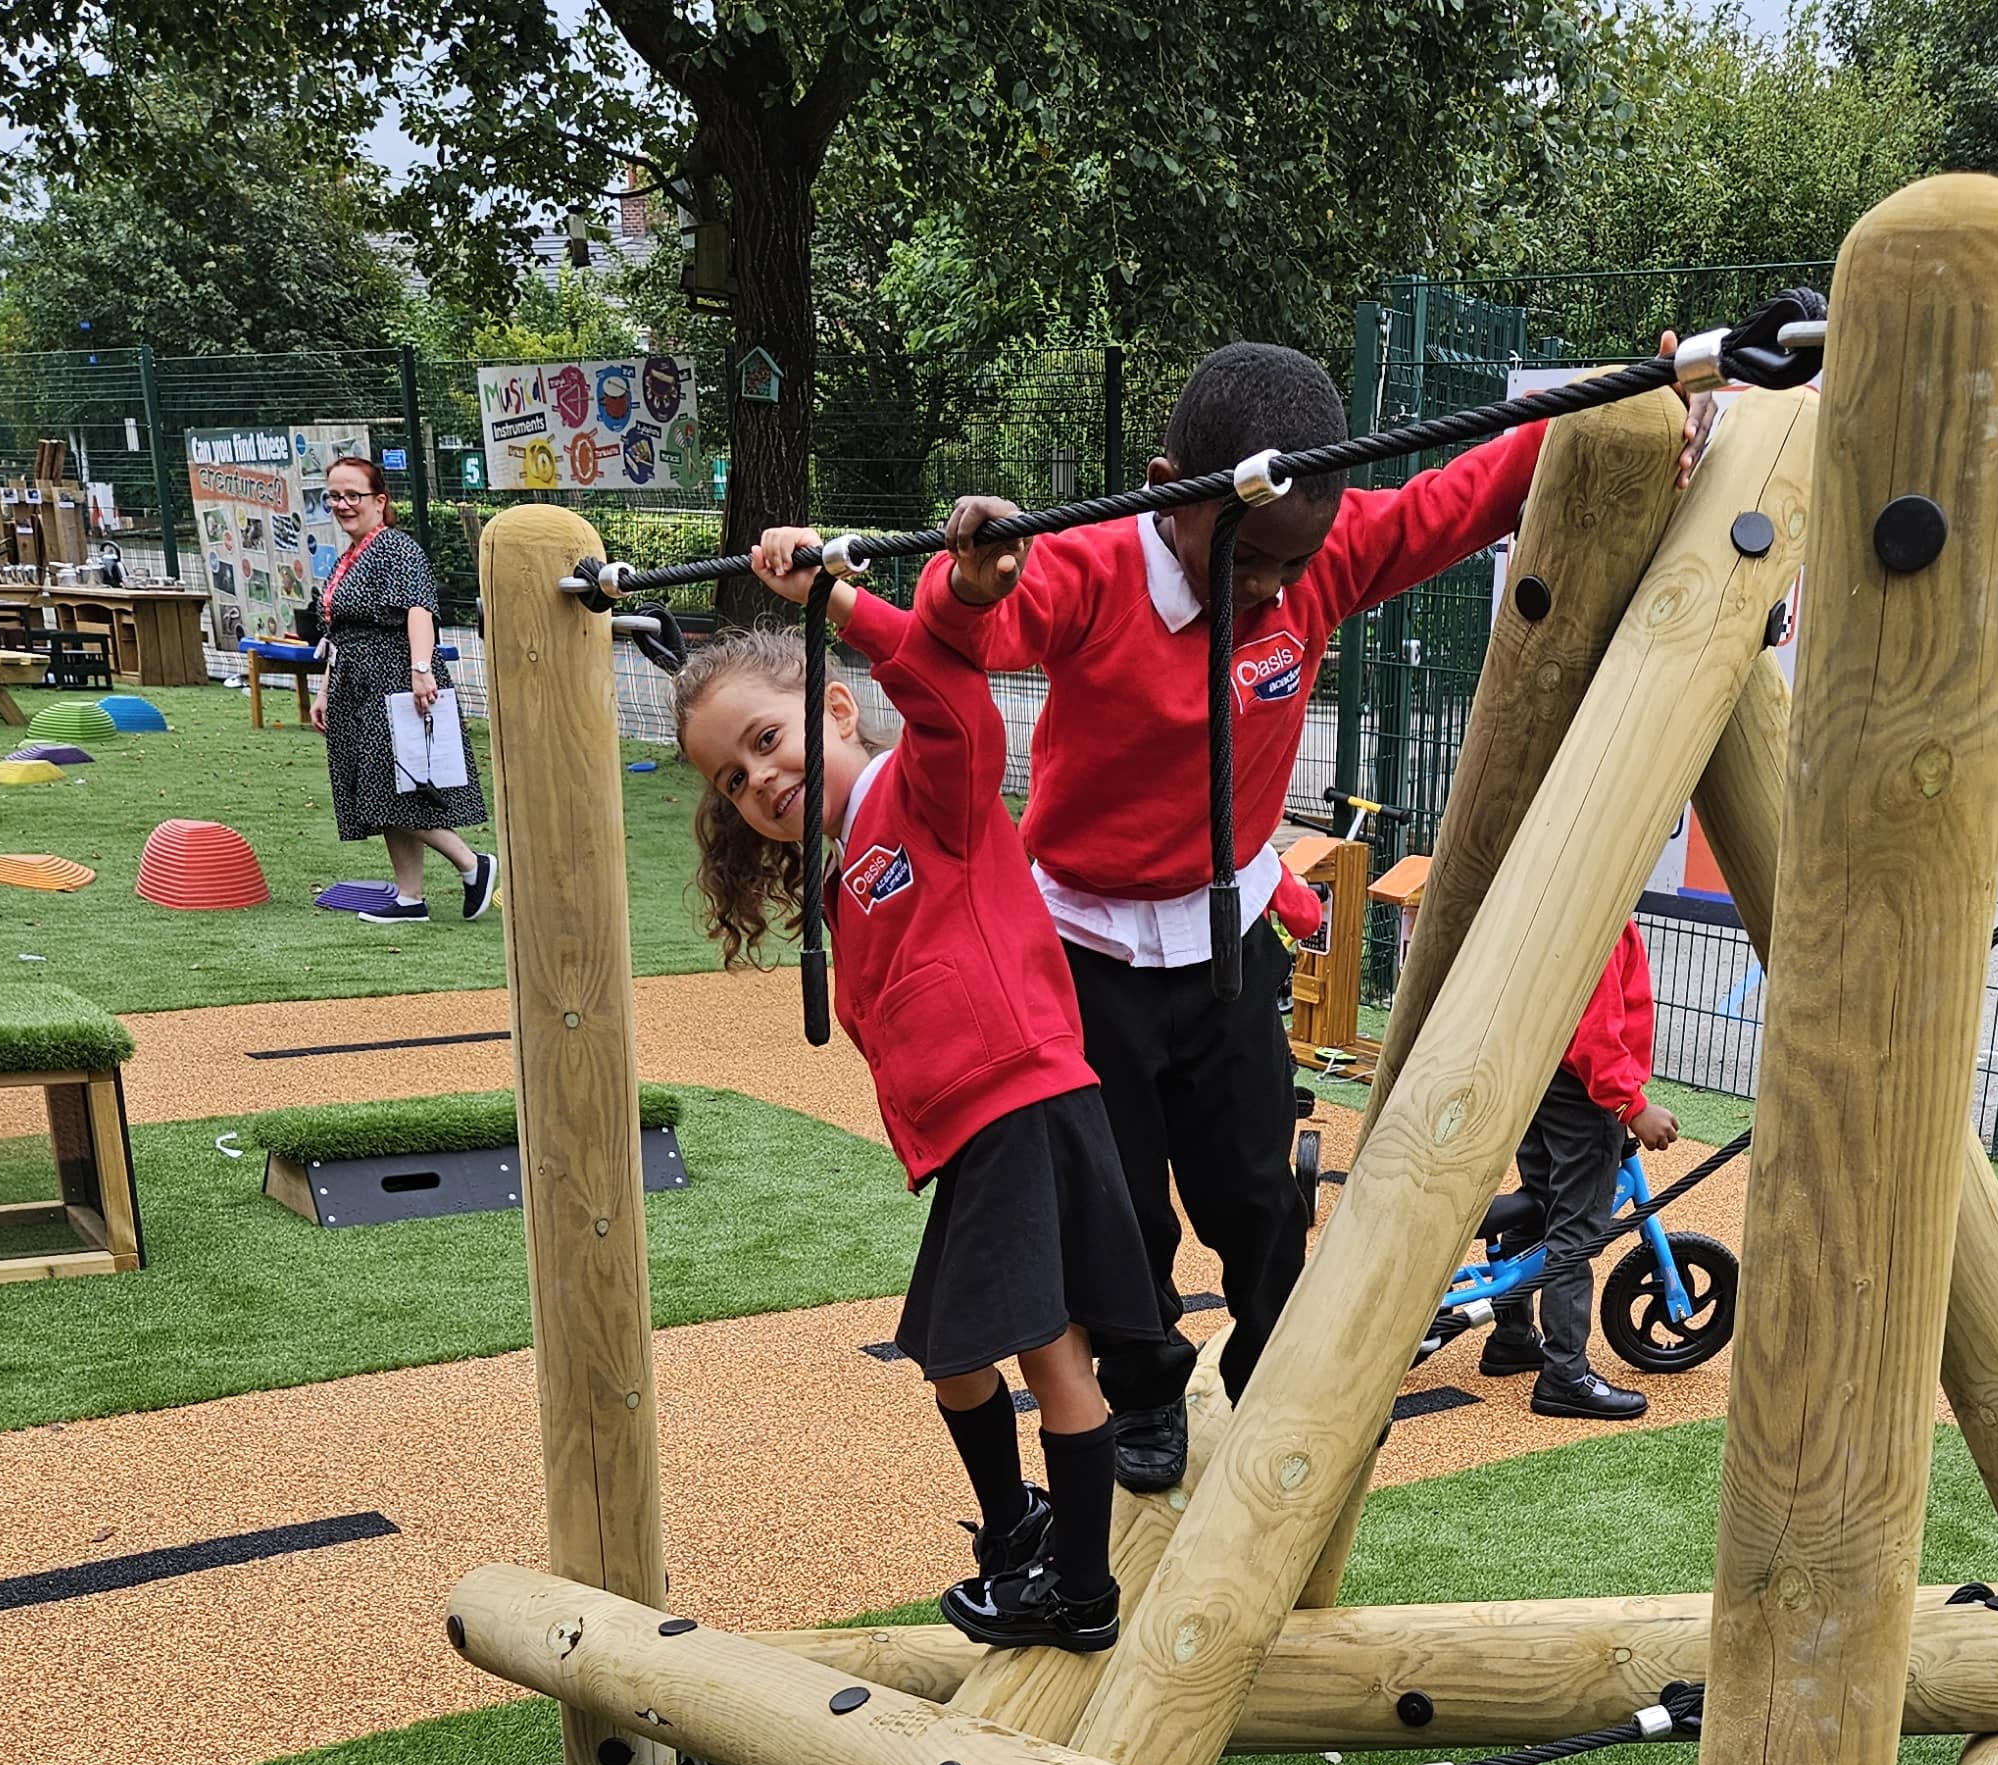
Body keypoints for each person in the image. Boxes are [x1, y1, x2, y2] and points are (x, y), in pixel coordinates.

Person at [927, 345, 1549, 1492]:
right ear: (1168, 487)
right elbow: (974, 635)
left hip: (1226, 937)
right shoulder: (1090, 570)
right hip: (1084, 947)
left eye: (1290, 562)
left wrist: (1637, 396)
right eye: (1245, 558)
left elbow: (1455, 501)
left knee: (1255, 1189)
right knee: (1117, 1200)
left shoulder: (1310, 561)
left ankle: (1278, 1371)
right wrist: (971, 579)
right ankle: (1147, 1392)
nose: (1267, 585)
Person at [670, 522, 1161, 1650]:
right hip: (981, 1130)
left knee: (1038, 1353)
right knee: (953, 1354)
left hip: (1020, 1102)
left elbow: (946, 683)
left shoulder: (923, 788)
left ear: (835, 708)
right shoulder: (846, 868)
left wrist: (838, 602)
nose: (759, 780)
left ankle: (1075, 1585)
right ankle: (1019, 1534)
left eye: (766, 739)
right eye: (733, 779)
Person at [1477, 925, 1680, 1420]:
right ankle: (1565, 1375)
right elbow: (1596, 1031)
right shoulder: (1603, 921)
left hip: (1539, 1075)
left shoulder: (1559, 906)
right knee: (1577, 1231)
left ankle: (1512, 1335)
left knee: (1542, 1202)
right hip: (1585, 1093)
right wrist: (1632, 1105)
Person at [309, 452, 492, 926]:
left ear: (379, 499)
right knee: (388, 788)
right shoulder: (349, 557)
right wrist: (326, 690)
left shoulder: (394, 547)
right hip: (355, 682)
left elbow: (418, 610)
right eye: (335, 495)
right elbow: (339, 633)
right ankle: (410, 898)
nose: (343, 504)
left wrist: (420, 670)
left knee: (392, 788)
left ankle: (473, 864)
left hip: (394, 679)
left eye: (354, 495)